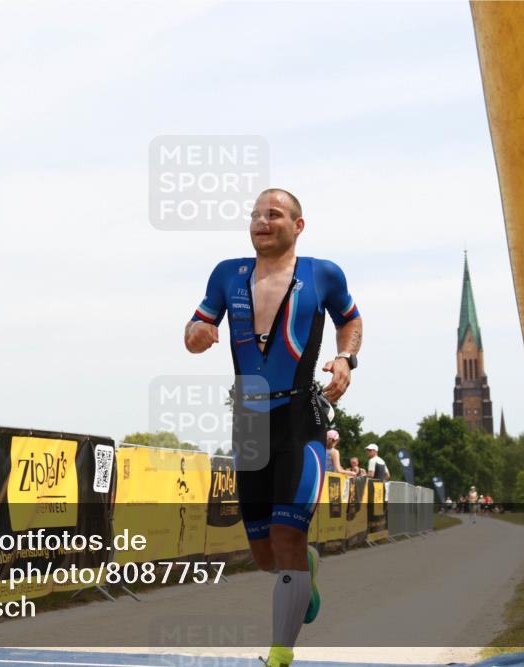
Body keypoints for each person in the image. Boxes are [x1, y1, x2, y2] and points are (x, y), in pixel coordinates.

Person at [184, 188, 362, 667]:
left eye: (275, 214)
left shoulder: (323, 274)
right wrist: (196, 335)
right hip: (249, 423)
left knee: (288, 536)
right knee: (264, 554)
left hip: (299, 417)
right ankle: (307, 570)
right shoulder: (227, 274)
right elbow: (194, 330)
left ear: (298, 226)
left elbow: (351, 319)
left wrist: (346, 358)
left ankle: (280, 655)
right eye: (256, 214)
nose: (262, 221)